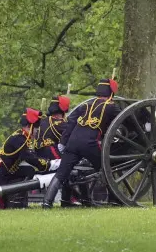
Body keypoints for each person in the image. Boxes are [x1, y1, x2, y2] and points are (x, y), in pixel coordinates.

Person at [42, 78, 122, 209]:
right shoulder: (111, 106)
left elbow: (70, 124)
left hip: (72, 143)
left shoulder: (85, 105)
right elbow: (125, 119)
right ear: (112, 92)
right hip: (91, 143)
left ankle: (47, 202)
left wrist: (63, 142)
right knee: (105, 169)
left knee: (61, 173)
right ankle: (114, 199)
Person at [0, 108, 40, 209]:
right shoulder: (20, 139)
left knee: (30, 171)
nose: (37, 131)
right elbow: (28, 157)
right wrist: (47, 164)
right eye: (36, 128)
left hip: (7, 171)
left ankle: (21, 202)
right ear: (30, 126)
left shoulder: (24, 137)